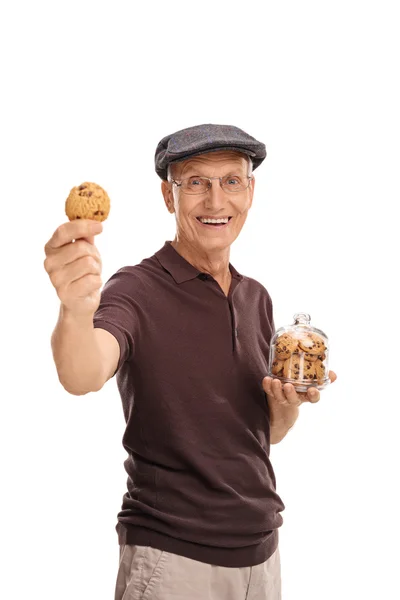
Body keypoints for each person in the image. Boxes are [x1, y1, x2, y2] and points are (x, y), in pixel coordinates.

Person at [44, 123, 337, 600]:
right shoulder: (136, 289)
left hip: (261, 552)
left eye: (231, 181)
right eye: (196, 182)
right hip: (174, 560)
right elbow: (82, 374)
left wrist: (288, 403)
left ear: (251, 191)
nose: (216, 201)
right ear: (168, 196)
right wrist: (75, 310)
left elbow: (259, 436)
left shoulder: (255, 298)